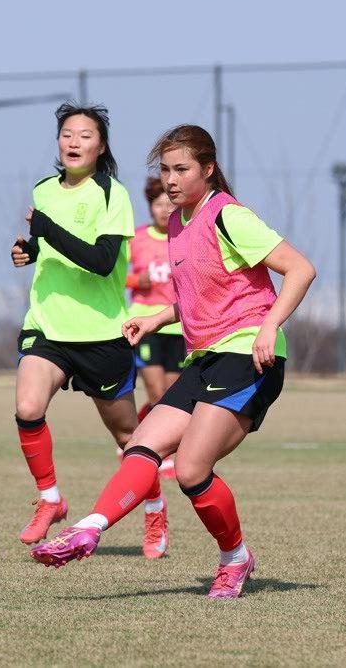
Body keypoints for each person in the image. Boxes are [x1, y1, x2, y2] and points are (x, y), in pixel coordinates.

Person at [32, 125, 317, 598]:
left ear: (207, 169)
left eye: (181, 169)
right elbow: (201, 298)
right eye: (164, 169)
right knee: (141, 445)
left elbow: (300, 269)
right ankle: (88, 528)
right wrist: (156, 319)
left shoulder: (229, 215)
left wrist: (270, 326)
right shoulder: (178, 224)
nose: (170, 179)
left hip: (248, 356)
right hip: (206, 359)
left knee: (189, 469)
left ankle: (234, 559)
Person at [10, 103, 169, 558]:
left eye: (84, 135)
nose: (73, 142)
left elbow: (101, 263)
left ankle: (154, 506)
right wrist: (28, 251)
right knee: (27, 405)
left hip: (102, 334)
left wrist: (47, 231)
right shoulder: (43, 190)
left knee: (128, 439)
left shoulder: (111, 194)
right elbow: (46, 246)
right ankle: (50, 499)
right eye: (66, 134)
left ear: (101, 146)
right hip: (47, 326)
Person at [127, 177, 184, 480]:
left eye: (169, 204)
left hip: (178, 325)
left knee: (172, 395)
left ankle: (139, 433)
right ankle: (157, 451)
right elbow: (112, 276)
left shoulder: (184, 237)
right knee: (156, 391)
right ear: (149, 206)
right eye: (158, 204)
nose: (164, 209)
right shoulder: (136, 238)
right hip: (146, 325)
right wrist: (137, 281)